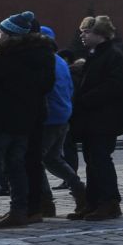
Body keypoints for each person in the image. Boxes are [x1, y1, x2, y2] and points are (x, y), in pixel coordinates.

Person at [0, 12, 56, 231]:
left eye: (1, 32)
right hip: (26, 122)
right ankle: (19, 211)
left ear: (12, 35)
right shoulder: (43, 57)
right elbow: (45, 87)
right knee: (16, 166)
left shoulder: (3, 59)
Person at [70, 16, 123, 220]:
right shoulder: (96, 54)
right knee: (92, 160)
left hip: (105, 119)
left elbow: (115, 85)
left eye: (87, 32)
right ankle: (93, 202)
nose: (82, 35)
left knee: (100, 160)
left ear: (100, 34)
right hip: (93, 118)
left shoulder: (113, 55)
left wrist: (85, 99)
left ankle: (109, 202)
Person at [33, 24, 83, 217]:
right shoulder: (59, 61)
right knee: (52, 158)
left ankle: (45, 201)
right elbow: (69, 89)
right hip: (62, 115)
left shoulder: (45, 61)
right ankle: (79, 190)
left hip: (49, 118)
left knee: (35, 159)